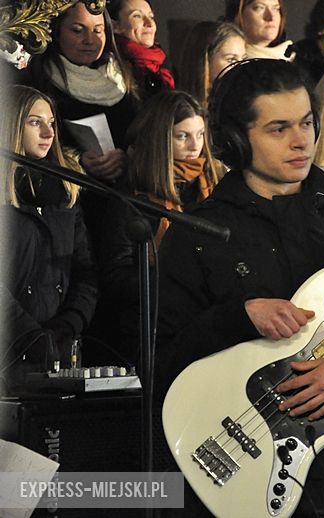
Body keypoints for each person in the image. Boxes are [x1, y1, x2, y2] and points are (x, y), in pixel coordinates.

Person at [154, 58, 324, 516]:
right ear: (236, 141)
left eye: (306, 122)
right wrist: (238, 316)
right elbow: (163, 361)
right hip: (242, 470)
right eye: (278, 128)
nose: (301, 140)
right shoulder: (199, 233)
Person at [92, 90, 218, 369]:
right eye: (182, 136)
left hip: (207, 327)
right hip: (152, 332)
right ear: (161, 138)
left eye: (200, 134)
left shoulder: (213, 184)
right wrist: (171, 284)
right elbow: (114, 275)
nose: (194, 145)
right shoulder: (133, 197)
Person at [0, 85, 97, 383]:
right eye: (34, 122)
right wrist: (29, 334)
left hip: (57, 351)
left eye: (52, 122)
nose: (48, 132)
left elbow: (86, 273)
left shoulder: (64, 192)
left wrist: (68, 324)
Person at [26, 2, 137, 183]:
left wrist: (126, 158)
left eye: (98, 30)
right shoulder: (38, 82)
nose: (89, 40)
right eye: (78, 30)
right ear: (56, 31)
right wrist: (77, 160)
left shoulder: (124, 77)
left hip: (124, 191)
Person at [108, 0, 175, 100]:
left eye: (151, 17)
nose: (149, 24)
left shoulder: (163, 63)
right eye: (137, 16)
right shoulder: (111, 68)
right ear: (115, 26)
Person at [175, 21, 247, 110]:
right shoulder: (182, 111)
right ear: (205, 60)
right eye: (231, 60)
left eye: (243, 59)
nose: (241, 68)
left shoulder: (245, 105)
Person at [224, 0, 293, 60]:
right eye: (259, 8)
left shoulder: (297, 60)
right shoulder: (228, 64)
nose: (271, 17)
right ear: (238, 16)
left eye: (276, 9)